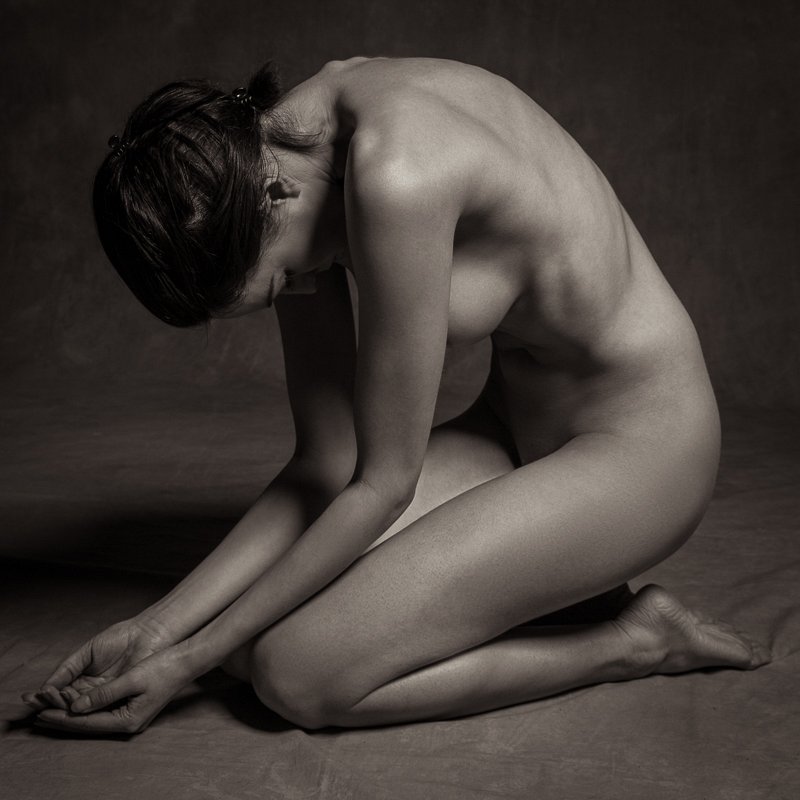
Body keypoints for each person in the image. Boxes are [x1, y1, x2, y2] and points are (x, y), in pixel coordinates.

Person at [23, 57, 769, 734]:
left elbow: (381, 484)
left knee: (292, 675)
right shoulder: (275, 159)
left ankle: (634, 640)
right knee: (248, 648)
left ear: (273, 194)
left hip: (643, 453)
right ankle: (566, 577)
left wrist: (189, 661)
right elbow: (327, 460)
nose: (302, 290)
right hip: (511, 434)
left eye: (281, 282)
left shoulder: (397, 176)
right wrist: (158, 630)